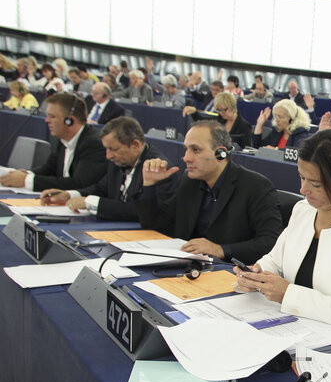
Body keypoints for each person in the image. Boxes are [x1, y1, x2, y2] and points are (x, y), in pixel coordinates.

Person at [234, 130, 331, 341]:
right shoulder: (303, 210)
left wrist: (288, 294)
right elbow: (275, 260)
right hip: (298, 330)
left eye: (315, 184)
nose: (302, 189)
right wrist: (257, 274)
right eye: (301, 177)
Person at [136, 121, 282, 263]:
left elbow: (270, 242)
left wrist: (221, 249)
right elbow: (155, 223)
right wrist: (149, 184)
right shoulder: (190, 181)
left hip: (229, 273)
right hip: (189, 267)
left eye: (196, 150)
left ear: (221, 154)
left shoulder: (255, 186)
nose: (186, 158)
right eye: (186, 149)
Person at [39, 116, 177, 221]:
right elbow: (101, 188)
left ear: (135, 145)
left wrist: (90, 202)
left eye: (113, 149)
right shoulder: (119, 160)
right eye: (106, 149)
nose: (108, 155)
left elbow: (142, 211)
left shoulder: (158, 169)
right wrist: (70, 195)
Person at [0, 93, 107, 191]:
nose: (46, 120)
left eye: (52, 116)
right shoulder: (63, 139)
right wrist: (25, 174)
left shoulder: (94, 144)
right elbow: (49, 169)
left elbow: (79, 183)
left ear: (69, 121)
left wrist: (26, 180)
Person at [185, 92, 252, 150]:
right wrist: (194, 112)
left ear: (232, 106)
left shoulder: (244, 126)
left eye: (224, 110)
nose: (221, 113)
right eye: (219, 110)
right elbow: (203, 121)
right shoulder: (219, 119)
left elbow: (247, 150)